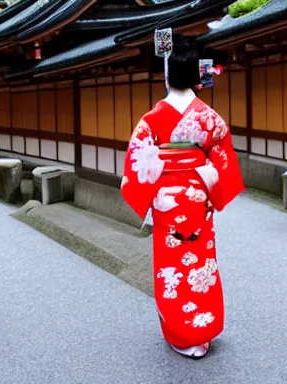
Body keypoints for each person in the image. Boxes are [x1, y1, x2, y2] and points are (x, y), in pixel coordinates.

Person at [120, 37, 244, 359]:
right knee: (200, 262)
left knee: (171, 266)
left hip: (166, 203)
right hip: (197, 199)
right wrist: (208, 181)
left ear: (167, 75)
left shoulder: (152, 119)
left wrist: (152, 191)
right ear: (195, 75)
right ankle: (201, 330)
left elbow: (137, 161)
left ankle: (180, 331)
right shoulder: (208, 118)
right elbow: (222, 160)